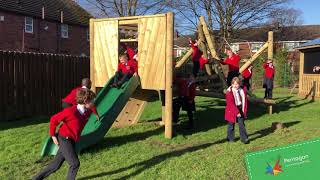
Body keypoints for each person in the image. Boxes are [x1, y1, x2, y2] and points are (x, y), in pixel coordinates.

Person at [32, 89, 99, 180]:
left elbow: (93, 108)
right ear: (85, 101)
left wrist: (97, 114)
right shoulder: (70, 111)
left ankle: (35, 178)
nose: (93, 102)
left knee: (55, 165)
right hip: (64, 139)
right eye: (92, 100)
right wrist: (53, 135)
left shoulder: (87, 111)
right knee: (75, 163)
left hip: (72, 140)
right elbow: (54, 119)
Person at [225, 77, 249, 144]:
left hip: (239, 107)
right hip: (231, 109)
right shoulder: (229, 92)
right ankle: (230, 138)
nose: (236, 86)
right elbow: (231, 104)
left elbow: (244, 101)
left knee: (241, 124)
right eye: (234, 84)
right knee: (231, 124)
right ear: (232, 84)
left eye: (237, 84)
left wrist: (243, 111)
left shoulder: (242, 90)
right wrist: (237, 112)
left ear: (239, 84)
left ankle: (244, 138)